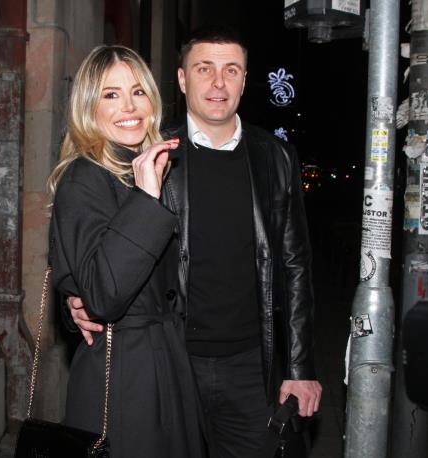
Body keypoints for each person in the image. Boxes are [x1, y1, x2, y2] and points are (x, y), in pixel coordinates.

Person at [68, 27, 322, 457]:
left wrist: (300, 366)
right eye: (205, 69)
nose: (218, 83)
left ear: (245, 80)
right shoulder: (147, 153)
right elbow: (104, 246)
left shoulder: (275, 157)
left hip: (249, 364)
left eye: (231, 70)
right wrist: (75, 296)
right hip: (171, 359)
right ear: (183, 79)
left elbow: (295, 264)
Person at [48, 45, 205, 458]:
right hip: (123, 378)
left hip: (166, 362)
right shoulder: (83, 178)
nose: (130, 107)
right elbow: (104, 293)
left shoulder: (154, 165)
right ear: (89, 107)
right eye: (111, 94)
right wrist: (146, 198)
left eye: (138, 92)